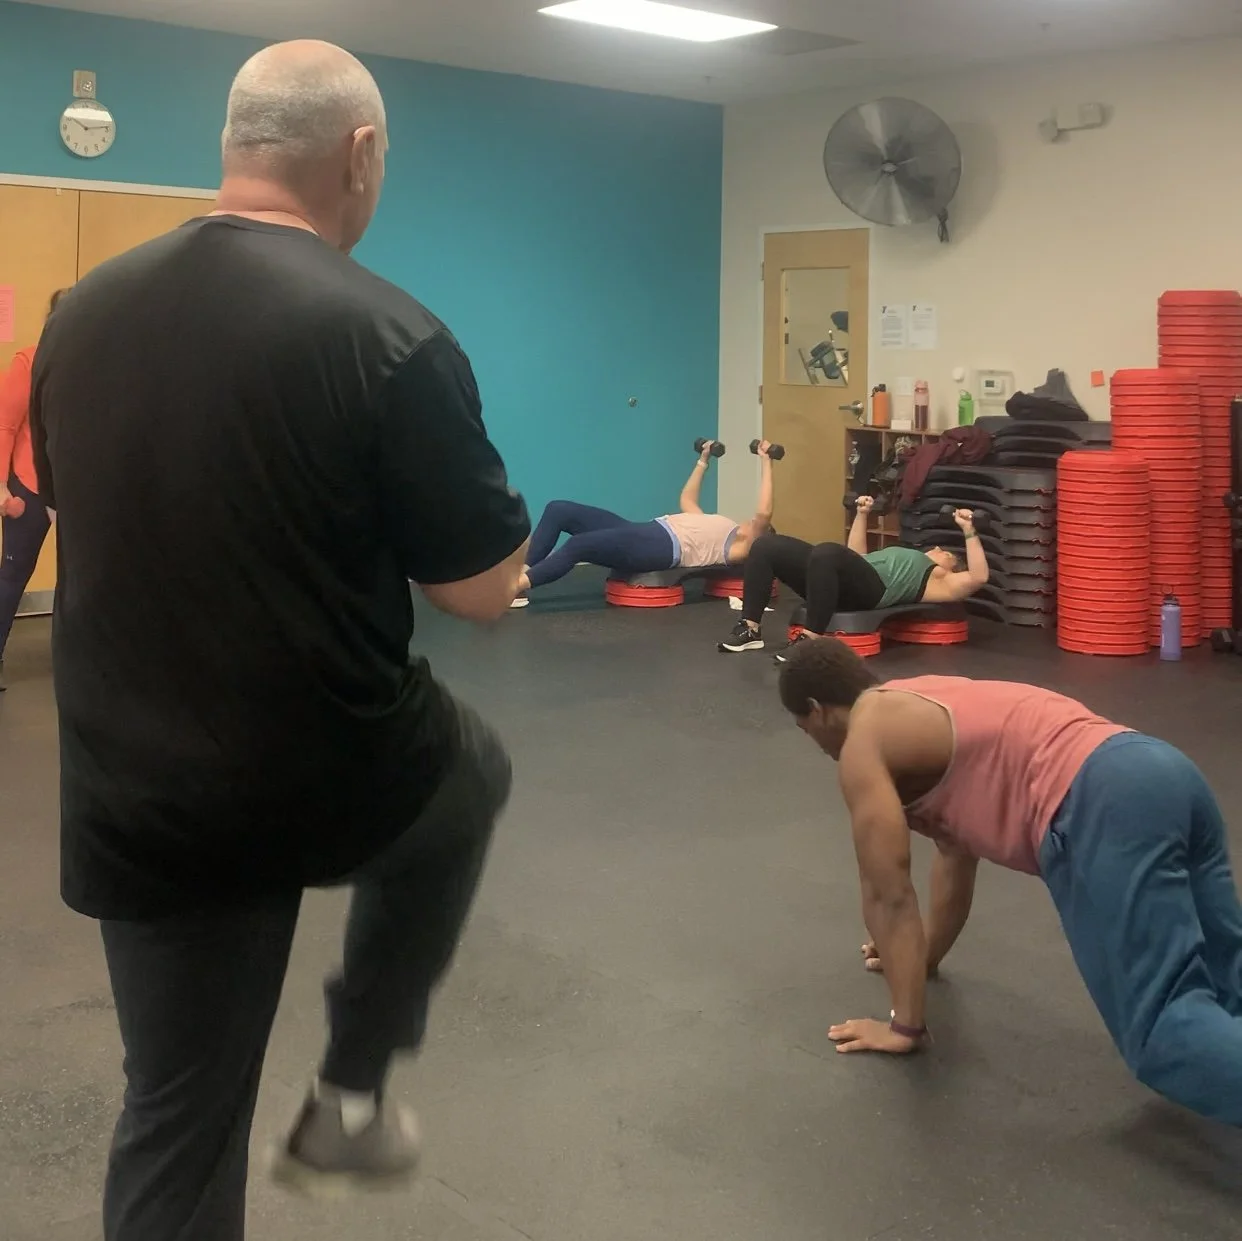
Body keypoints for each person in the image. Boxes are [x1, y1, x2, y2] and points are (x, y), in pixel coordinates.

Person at [30, 40, 531, 1241]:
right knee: (469, 777)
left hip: (130, 784)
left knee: (178, 1110)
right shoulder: (391, 332)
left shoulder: (77, 314)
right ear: (359, 156)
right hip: (318, 767)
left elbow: (67, 488)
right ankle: (352, 1086)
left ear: (231, 147)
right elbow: (477, 589)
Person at [777, 639, 1242, 1127]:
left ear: (817, 710)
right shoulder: (917, 701)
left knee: (1161, 1030)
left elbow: (887, 895)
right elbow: (955, 855)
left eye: (802, 726)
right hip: (1159, 768)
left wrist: (904, 1026)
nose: (812, 740)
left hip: (1099, 804)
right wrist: (926, 955)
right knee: (1226, 969)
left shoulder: (862, 747)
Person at [719, 495, 988, 657]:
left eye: (946, 554)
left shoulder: (938, 578)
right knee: (766, 545)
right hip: (846, 580)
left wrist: (968, 529)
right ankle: (750, 629)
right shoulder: (905, 557)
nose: (938, 549)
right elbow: (855, 556)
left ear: (952, 568)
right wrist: (862, 514)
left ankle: (810, 640)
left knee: (826, 552)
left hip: (871, 594)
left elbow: (978, 577)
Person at [511, 439, 774, 604]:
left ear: (759, 539)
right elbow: (687, 500)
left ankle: (513, 588)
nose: (751, 520)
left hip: (658, 549)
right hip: (645, 531)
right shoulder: (723, 524)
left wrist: (766, 462)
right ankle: (522, 571)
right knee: (559, 509)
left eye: (757, 526)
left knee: (580, 545)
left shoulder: (741, 548)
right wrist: (703, 461)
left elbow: (763, 513)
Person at [0, 289, 70, 691]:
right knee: (13, 573)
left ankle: (73, 661)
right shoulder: (27, 361)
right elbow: (5, 427)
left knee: (77, 580)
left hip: (72, 488)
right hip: (28, 488)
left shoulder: (87, 365)